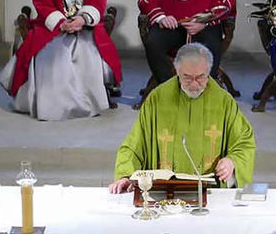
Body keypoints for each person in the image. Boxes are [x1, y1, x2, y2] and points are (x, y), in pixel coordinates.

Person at [0, 0, 122, 121]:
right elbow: (42, 4)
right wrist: (61, 23)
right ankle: (53, 107)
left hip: (84, 26)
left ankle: (89, 101)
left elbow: (98, 1)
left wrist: (82, 19)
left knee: (87, 52)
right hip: (54, 26)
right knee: (53, 55)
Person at [108, 43, 255, 193]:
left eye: (200, 77)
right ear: (177, 70)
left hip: (209, 191)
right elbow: (134, 144)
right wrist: (125, 175)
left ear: (209, 71)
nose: (194, 84)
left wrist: (232, 161)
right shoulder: (158, 99)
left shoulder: (223, 101)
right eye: (187, 77)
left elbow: (244, 142)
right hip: (165, 191)